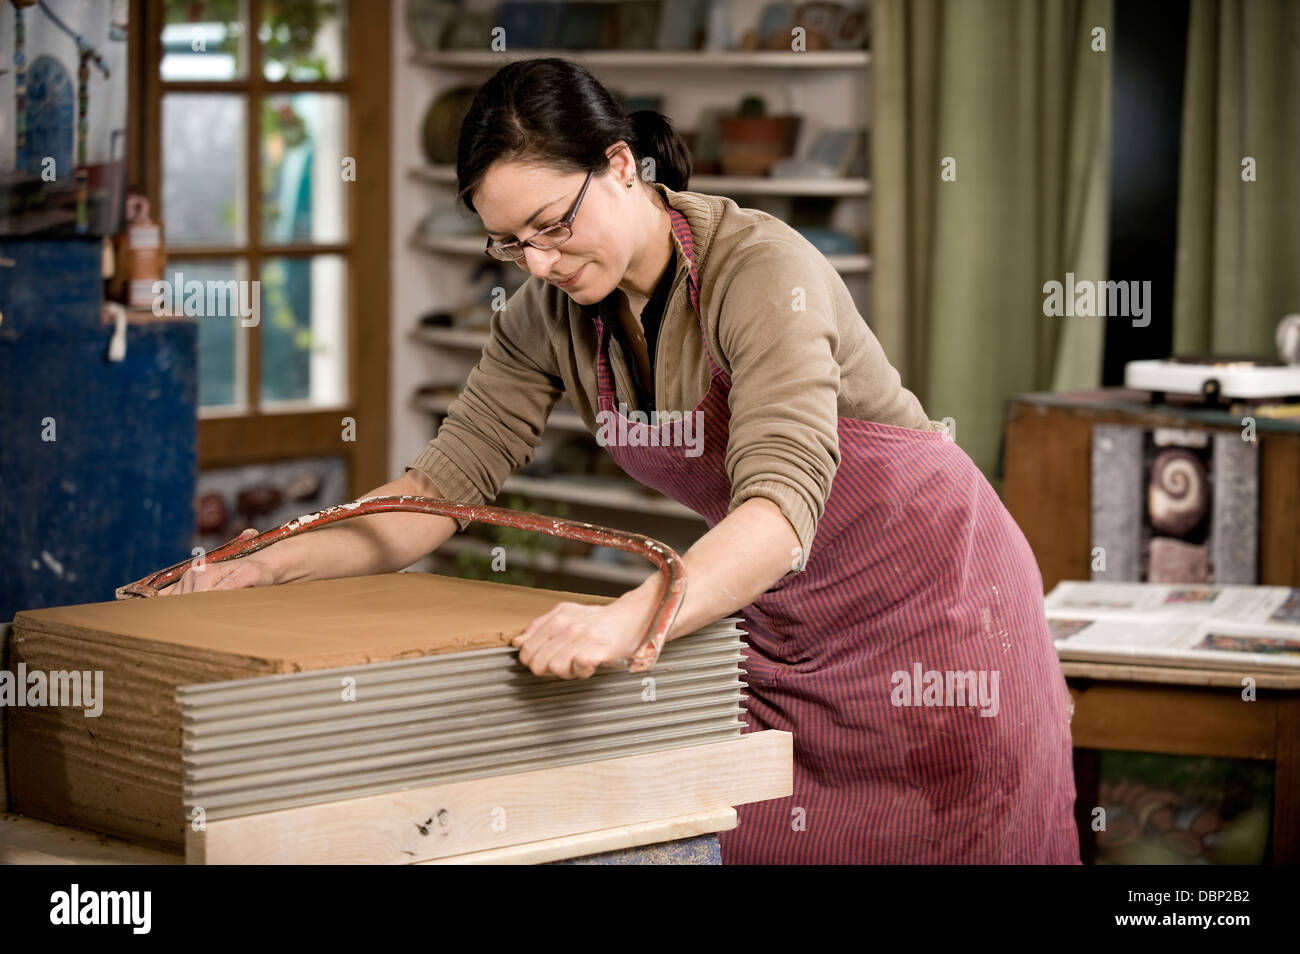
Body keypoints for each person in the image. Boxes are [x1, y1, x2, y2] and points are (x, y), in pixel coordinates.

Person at [169, 57, 1080, 864]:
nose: (539, 261)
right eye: (510, 242)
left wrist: (624, 620)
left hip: (941, 608)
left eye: (551, 224)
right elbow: (440, 490)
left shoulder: (761, 269)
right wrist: (271, 564)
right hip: (785, 617)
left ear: (617, 163)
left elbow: (779, 507)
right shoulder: (544, 314)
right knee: (742, 826)